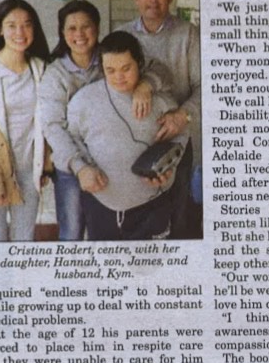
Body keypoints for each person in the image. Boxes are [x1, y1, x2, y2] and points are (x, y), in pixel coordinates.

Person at [38, 0, 166, 240]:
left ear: (97, 28)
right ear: (62, 33)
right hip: (73, 161)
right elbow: (53, 127)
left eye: (86, 26)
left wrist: (147, 84)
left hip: (109, 161)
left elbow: (159, 69)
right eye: (71, 28)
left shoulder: (112, 56)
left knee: (109, 230)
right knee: (73, 230)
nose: (79, 34)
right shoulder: (55, 74)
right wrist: (80, 167)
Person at [66, 31, 187, 240]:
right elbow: (70, 140)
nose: (119, 77)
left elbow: (180, 137)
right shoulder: (82, 101)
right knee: (108, 269)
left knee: (152, 270)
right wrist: (80, 168)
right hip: (100, 206)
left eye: (126, 68)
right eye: (110, 70)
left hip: (152, 205)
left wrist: (169, 170)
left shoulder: (162, 102)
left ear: (139, 63)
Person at [120, 0, 201, 237]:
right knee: (139, 218)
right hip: (133, 142)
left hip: (179, 139)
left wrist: (183, 116)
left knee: (180, 217)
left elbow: (207, 86)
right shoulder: (121, 36)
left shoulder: (189, 34)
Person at [0, 0, 49, 241]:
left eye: (27, 25)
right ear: (0, 29)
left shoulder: (41, 68)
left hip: (30, 170)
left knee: (24, 238)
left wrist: (46, 164)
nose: (20, 32)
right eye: (11, 25)